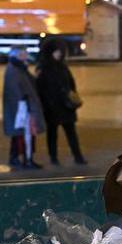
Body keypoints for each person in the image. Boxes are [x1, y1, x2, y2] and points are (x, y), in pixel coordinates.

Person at [35, 37, 86, 166]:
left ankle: (78, 156)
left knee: (71, 133)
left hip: (66, 106)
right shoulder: (43, 67)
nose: (60, 54)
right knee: (52, 134)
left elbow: (71, 83)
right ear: (51, 52)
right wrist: (46, 104)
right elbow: (40, 88)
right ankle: (53, 157)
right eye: (57, 51)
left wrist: (71, 96)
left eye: (60, 51)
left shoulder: (63, 66)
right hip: (52, 107)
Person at [2, 47, 44, 168]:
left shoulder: (18, 68)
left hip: (22, 107)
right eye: (23, 54)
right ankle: (25, 159)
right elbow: (19, 89)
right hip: (22, 108)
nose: (26, 57)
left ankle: (20, 158)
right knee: (24, 134)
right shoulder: (15, 70)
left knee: (22, 134)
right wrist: (26, 102)